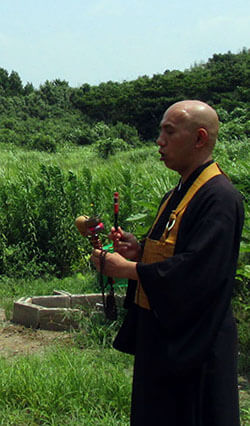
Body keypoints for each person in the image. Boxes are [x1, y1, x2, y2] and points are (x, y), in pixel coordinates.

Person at [92, 100, 244, 425]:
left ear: (199, 138)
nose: (159, 141)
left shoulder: (219, 197)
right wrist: (140, 249)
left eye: (168, 132)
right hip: (165, 335)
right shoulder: (177, 193)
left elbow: (199, 271)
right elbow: (173, 250)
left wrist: (128, 270)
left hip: (197, 343)